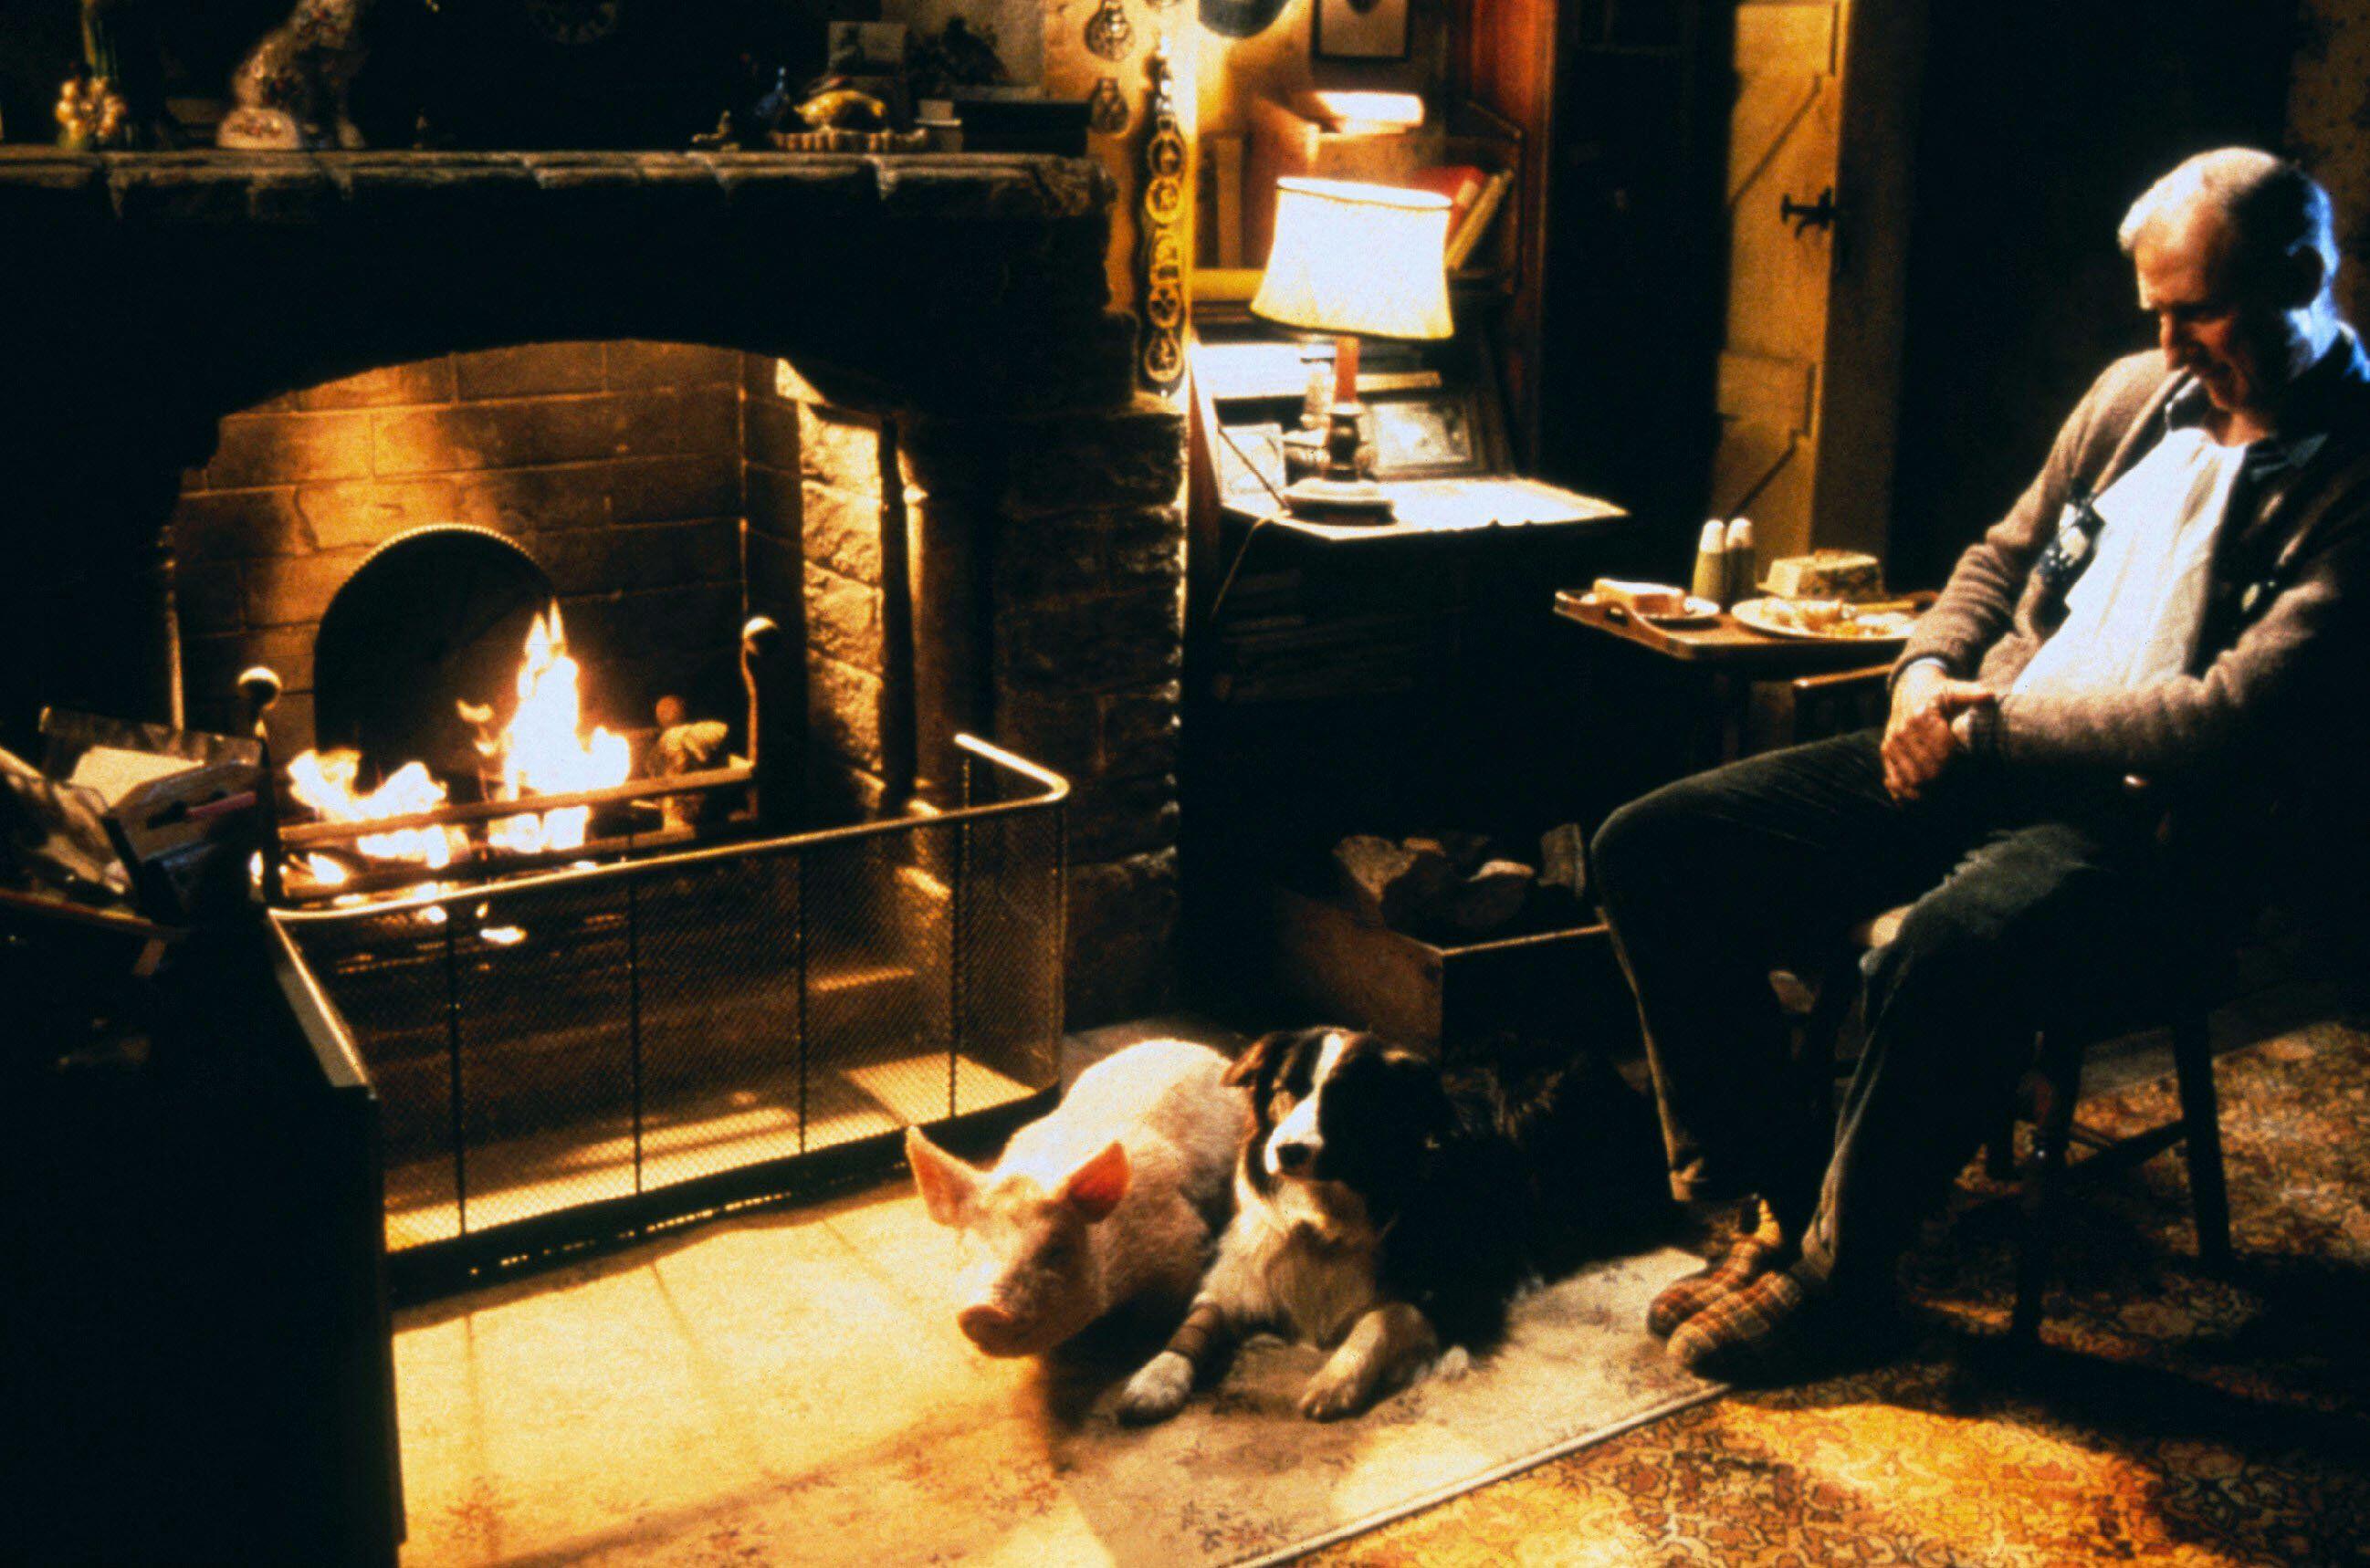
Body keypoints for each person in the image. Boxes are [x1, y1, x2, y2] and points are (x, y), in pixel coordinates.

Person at [1589, 148, 2370, 1382]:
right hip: (1973, 743)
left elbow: (2225, 717)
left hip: (2151, 834)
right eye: (2154, 316)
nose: (2169, 350)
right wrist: (1918, 677)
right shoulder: (2132, 399)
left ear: (2303, 278)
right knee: (1653, 845)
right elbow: (1997, 562)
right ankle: (1785, 1208)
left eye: (2198, 314)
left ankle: (1847, 1283)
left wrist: (1983, 732)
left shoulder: (2352, 476)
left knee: (1947, 939)